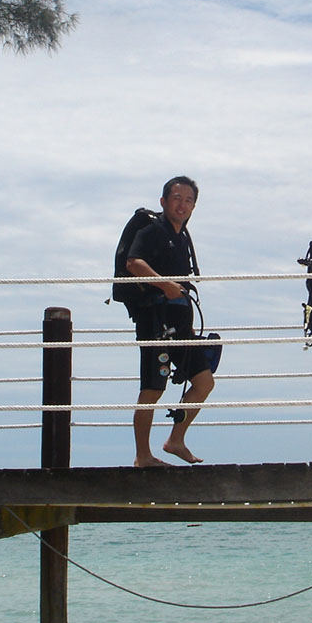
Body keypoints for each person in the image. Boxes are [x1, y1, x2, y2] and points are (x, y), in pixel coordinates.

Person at [126, 175, 215, 467]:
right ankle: (142, 456)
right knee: (152, 389)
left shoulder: (182, 237)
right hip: (156, 322)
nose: (182, 205)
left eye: (189, 200)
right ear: (163, 201)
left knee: (204, 382)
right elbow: (133, 262)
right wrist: (165, 284)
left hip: (181, 326)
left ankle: (175, 440)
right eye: (177, 198)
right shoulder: (152, 230)